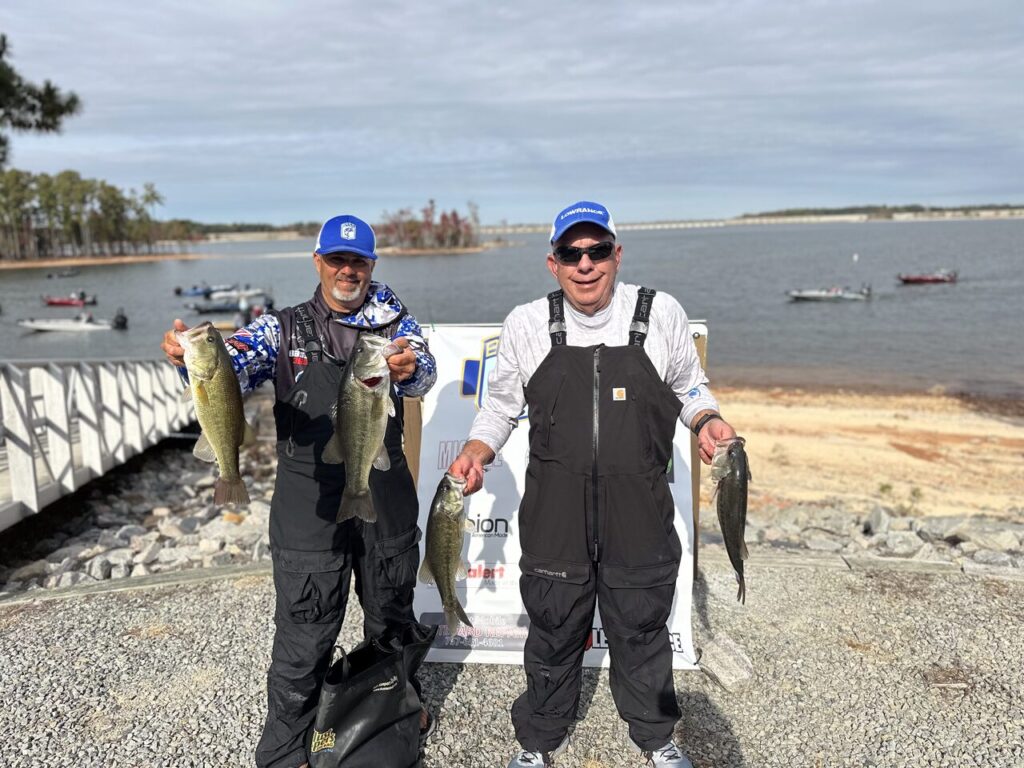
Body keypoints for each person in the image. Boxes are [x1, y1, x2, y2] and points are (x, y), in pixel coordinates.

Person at [448, 201, 737, 768]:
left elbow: (690, 387)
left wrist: (708, 420)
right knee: (553, 629)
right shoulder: (527, 323)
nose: (585, 264)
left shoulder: (659, 313)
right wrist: (476, 452)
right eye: (571, 253)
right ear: (552, 263)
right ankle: (538, 740)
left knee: (642, 629)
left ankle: (655, 737)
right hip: (555, 512)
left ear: (617, 255)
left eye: (597, 251)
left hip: (640, 510)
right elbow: (500, 408)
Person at [161, 214, 438, 768]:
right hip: (307, 504)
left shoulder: (395, 322)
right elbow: (234, 364)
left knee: (392, 612)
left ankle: (393, 712)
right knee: (305, 631)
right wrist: (188, 357)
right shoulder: (279, 328)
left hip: (383, 494)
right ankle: (286, 750)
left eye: (357, 261)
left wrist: (408, 368)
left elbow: (423, 373)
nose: (347, 270)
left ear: (371, 266)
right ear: (318, 262)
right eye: (337, 260)